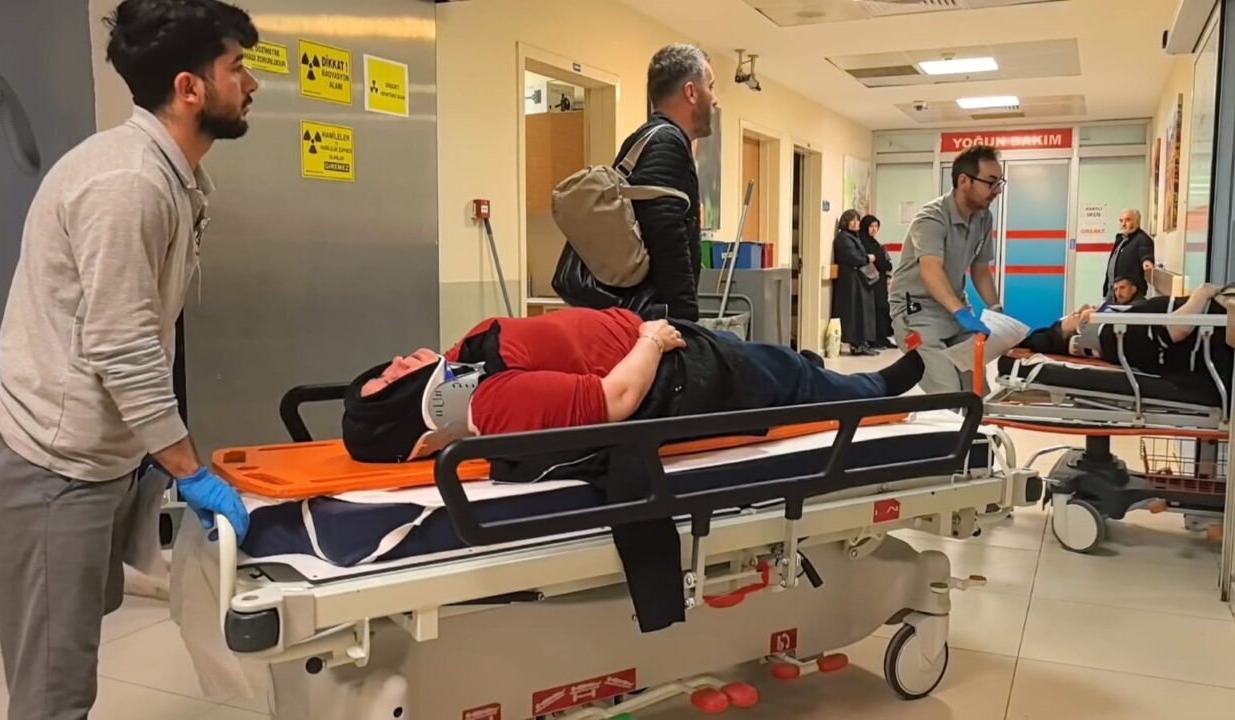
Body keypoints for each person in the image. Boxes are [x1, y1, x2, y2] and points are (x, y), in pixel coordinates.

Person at [0, 2, 257, 718]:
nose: (251, 84)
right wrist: (188, 470)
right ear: (190, 88)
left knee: (75, 651)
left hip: (98, 459)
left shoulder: (171, 177)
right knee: (54, 690)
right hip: (51, 465)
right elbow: (123, 347)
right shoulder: (127, 183)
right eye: (237, 68)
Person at [341, 306, 926, 463]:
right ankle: (873, 390)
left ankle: (813, 371)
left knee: (777, 362)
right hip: (675, 374)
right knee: (788, 377)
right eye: (388, 379)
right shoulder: (492, 403)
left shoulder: (463, 371)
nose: (394, 361)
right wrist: (649, 338)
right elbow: (613, 401)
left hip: (673, 353)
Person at [556, 44, 719, 321]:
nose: (714, 100)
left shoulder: (644, 139)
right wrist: (685, 324)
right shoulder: (667, 143)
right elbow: (667, 239)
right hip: (653, 321)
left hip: (638, 316)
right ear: (691, 92)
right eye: (711, 87)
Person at [889, 145, 1003, 394]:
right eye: (991, 182)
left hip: (954, 308)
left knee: (976, 390)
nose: (997, 190)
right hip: (917, 312)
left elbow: (980, 269)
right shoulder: (931, 218)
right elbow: (931, 271)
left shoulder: (983, 218)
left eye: (999, 183)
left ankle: (974, 422)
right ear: (964, 181)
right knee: (947, 392)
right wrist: (960, 312)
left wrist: (995, 308)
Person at [1018, 283, 1230, 389]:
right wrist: (1202, 293)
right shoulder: (1113, 336)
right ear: (1079, 337)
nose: (1082, 308)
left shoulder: (1113, 329)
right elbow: (1177, 329)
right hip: (1221, 334)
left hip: (1219, 322)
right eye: (1074, 315)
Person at [831, 210, 879, 356]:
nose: (855, 223)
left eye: (857, 220)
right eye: (852, 220)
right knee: (854, 313)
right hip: (851, 281)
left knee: (861, 312)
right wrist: (867, 258)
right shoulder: (843, 238)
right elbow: (852, 257)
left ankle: (862, 343)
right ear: (845, 222)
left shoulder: (853, 237)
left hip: (857, 280)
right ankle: (857, 344)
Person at [859, 214, 896, 349]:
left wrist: (884, 265)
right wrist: (884, 264)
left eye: (876, 226)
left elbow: (886, 263)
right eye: (871, 226)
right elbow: (880, 263)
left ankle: (882, 337)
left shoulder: (875, 242)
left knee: (883, 308)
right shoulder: (863, 243)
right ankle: (874, 339)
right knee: (877, 309)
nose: (874, 229)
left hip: (880, 281)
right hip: (871, 281)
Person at [1103, 209, 1155, 302]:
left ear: (1137, 222)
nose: (1123, 224)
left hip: (1130, 295)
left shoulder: (1142, 238)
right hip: (1114, 293)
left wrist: (1147, 260)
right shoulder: (1122, 239)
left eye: (1127, 220)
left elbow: (1145, 252)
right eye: (1121, 221)